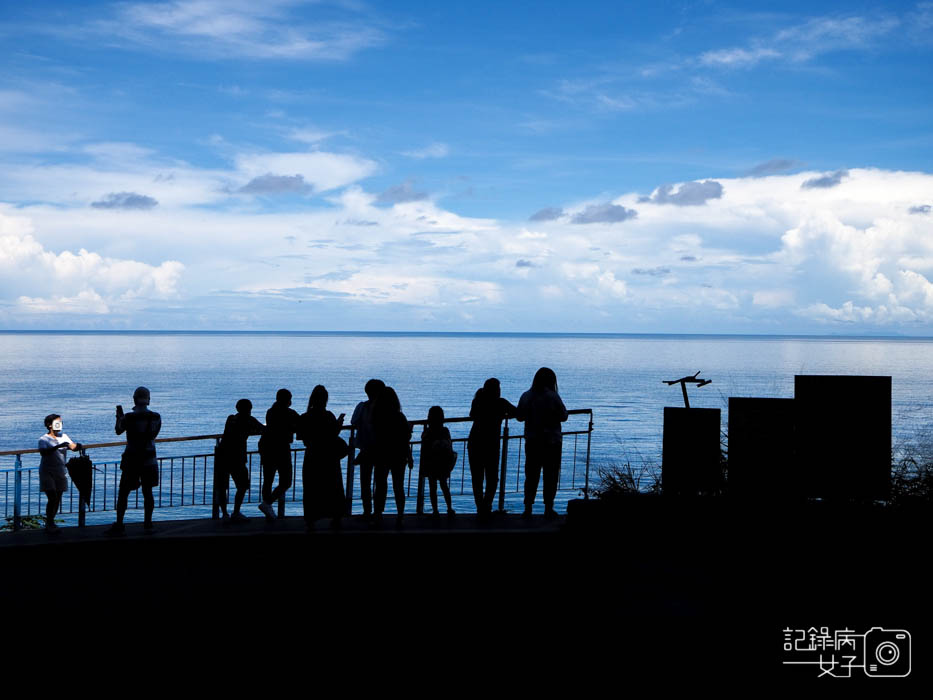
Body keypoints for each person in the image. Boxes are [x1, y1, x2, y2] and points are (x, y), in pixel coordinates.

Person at [107, 387, 161, 535]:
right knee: (148, 493)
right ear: (148, 399)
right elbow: (153, 435)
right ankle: (148, 524)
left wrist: (119, 417)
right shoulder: (156, 417)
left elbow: (118, 430)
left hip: (132, 460)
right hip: (150, 460)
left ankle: (119, 524)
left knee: (123, 493)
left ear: (134, 399)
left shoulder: (129, 417)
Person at [515, 368, 568, 519]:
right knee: (550, 476)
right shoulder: (553, 397)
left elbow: (519, 416)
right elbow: (564, 416)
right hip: (552, 442)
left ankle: (528, 508)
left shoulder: (527, 396)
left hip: (532, 441)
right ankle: (548, 508)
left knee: (531, 475)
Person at [297, 385, 346, 530]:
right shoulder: (328, 416)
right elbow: (333, 433)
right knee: (333, 487)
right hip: (329, 456)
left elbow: (301, 437)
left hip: (312, 456)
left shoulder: (304, 417)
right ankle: (336, 517)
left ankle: (311, 519)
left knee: (312, 488)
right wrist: (339, 423)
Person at [467, 378, 515, 516]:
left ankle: (480, 507)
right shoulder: (500, 403)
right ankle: (486, 505)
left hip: (475, 442)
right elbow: (517, 413)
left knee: (477, 478)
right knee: (492, 478)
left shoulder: (478, 401)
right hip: (491, 445)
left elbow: (472, 415)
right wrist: (504, 415)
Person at [217, 399, 264, 522]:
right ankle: (236, 512)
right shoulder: (249, 420)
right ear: (249, 409)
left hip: (222, 455)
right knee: (242, 486)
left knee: (222, 487)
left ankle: (224, 514)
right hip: (237, 457)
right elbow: (262, 429)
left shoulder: (231, 418)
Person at [372, 387, 412, 528]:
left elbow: (375, 436)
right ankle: (400, 514)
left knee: (380, 485)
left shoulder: (376, 416)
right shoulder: (399, 417)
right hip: (398, 454)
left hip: (381, 454)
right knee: (398, 485)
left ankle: (377, 514)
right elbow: (406, 437)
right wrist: (409, 456)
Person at [257, 389, 300, 521]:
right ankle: (268, 503)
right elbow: (299, 424)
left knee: (268, 480)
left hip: (266, 447)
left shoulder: (270, 411)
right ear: (287, 399)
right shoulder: (289, 413)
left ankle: (267, 508)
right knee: (286, 481)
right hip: (281, 448)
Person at [37, 414, 79, 533]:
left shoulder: (64, 436)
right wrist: (58, 446)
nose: (60, 424)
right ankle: (49, 523)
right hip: (47, 471)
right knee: (52, 497)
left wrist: (77, 446)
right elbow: (43, 453)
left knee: (57, 498)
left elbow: (72, 446)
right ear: (49, 425)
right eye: (57, 422)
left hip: (60, 471)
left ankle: (51, 522)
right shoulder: (43, 439)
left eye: (61, 422)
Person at [349, 379, 385, 518]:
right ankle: (377, 511)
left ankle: (367, 510)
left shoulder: (362, 407)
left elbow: (353, 422)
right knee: (380, 481)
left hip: (365, 449)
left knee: (365, 481)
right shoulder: (384, 409)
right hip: (380, 449)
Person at [420, 406, 456, 518]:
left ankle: (435, 510)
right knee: (444, 485)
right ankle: (449, 508)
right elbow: (449, 445)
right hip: (443, 462)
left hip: (431, 462)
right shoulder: (445, 431)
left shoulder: (427, 432)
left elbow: (424, 445)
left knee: (432, 486)